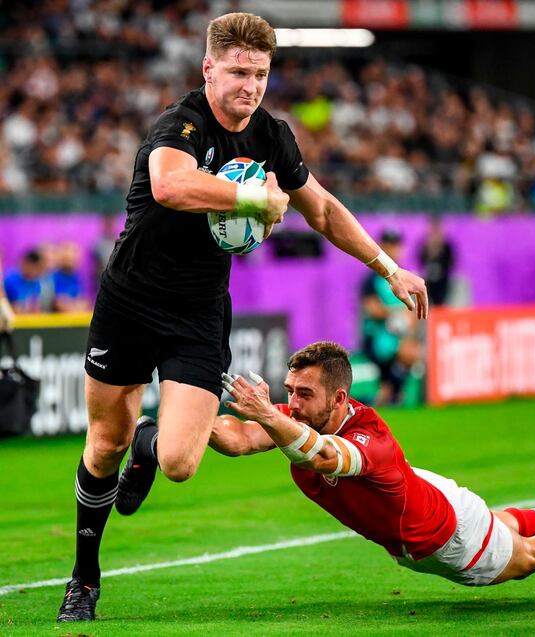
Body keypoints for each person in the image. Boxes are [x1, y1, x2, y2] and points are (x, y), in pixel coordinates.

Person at [57, 12, 427, 623]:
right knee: (103, 445)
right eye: (237, 72)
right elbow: (171, 186)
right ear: (208, 69)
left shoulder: (273, 137)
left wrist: (389, 269)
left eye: (260, 74)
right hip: (129, 301)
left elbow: (324, 210)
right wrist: (254, 196)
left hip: (200, 311)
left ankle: (149, 442)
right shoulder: (179, 125)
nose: (249, 85)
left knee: (179, 463)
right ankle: (84, 577)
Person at [210, 341, 535, 589]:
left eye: (304, 394)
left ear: (340, 398)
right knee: (499, 525)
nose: (293, 403)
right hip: (425, 496)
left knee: (532, 555)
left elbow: (326, 456)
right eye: (290, 390)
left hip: (444, 537)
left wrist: (267, 414)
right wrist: (181, 421)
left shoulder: (370, 439)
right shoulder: (297, 419)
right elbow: (240, 438)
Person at [359, 229, 423, 405]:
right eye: (388, 246)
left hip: (400, 336)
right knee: (407, 354)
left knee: (413, 352)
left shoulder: (406, 277)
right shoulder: (372, 279)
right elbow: (373, 309)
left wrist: (409, 329)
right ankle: (390, 393)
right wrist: (397, 313)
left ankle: (388, 393)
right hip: (377, 336)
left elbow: (414, 313)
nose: (392, 250)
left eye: (395, 246)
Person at [418, 216, 454, 306]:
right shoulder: (425, 244)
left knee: (441, 302)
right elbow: (420, 258)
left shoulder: (446, 246)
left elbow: (450, 261)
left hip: (442, 280)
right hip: (428, 279)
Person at [4, 249, 46, 314]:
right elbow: (13, 309)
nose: (38, 271)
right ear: (27, 264)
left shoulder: (36, 282)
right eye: (36, 268)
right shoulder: (11, 280)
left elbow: (36, 307)